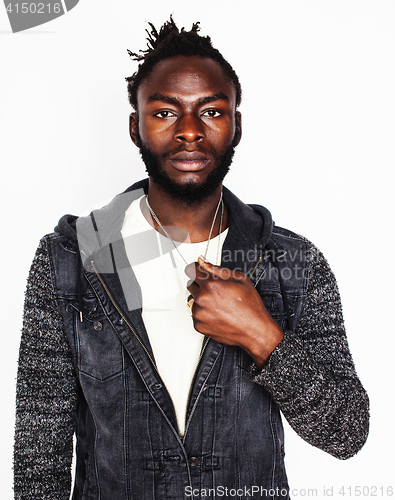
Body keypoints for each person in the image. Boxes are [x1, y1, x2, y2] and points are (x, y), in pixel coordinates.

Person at [14, 17, 369, 500]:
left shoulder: (295, 265)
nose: (188, 132)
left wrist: (261, 334)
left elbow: (347, 432)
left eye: (211, 112)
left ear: (236, 124)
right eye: (164, 113)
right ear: (135, 126)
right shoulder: (71, 259)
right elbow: (39, 456)